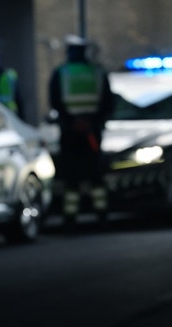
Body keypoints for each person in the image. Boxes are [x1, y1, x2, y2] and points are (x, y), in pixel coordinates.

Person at [49, 35, 114, 229]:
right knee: (95, 174)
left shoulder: (61, 72)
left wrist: (72, 122)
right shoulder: (97, 72)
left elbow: (55, 101)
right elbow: (108, 102)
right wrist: (93, 122)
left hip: (71, 132)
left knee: (72, 176)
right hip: (91, 132)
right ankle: (101, 214)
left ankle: (70, 217)